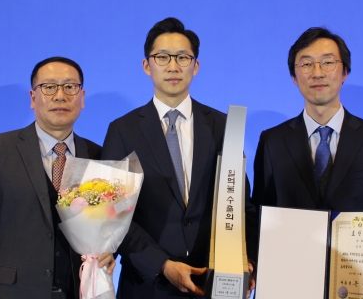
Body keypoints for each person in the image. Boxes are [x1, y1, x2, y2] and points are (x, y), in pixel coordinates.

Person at [102, 17, 258, 298]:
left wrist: (244, 260)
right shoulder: (123, 130)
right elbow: (112, 215)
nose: (173, 66)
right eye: (162, 57)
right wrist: (162, 265)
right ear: (146, 65)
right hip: (147, 286)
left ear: (195, 66)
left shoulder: (223, 126)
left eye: (183, 58)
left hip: (210, 282)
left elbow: (239, 204)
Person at [252, 27, 363, 292]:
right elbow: (260, 214)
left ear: (344, 71)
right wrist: (255, 266)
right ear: (294, 76)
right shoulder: (272, 141)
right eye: (306, 64)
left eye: (327, 62)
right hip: (289, 284)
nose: (317, 73)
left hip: (355, 285)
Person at [0, 57, 115, 299]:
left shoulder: (97, 156)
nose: (60, 96)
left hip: (78, 291)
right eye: (49, 87)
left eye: (70, 87)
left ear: (82, 97)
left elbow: (107, 229)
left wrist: (110, 251)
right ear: (33, 97)